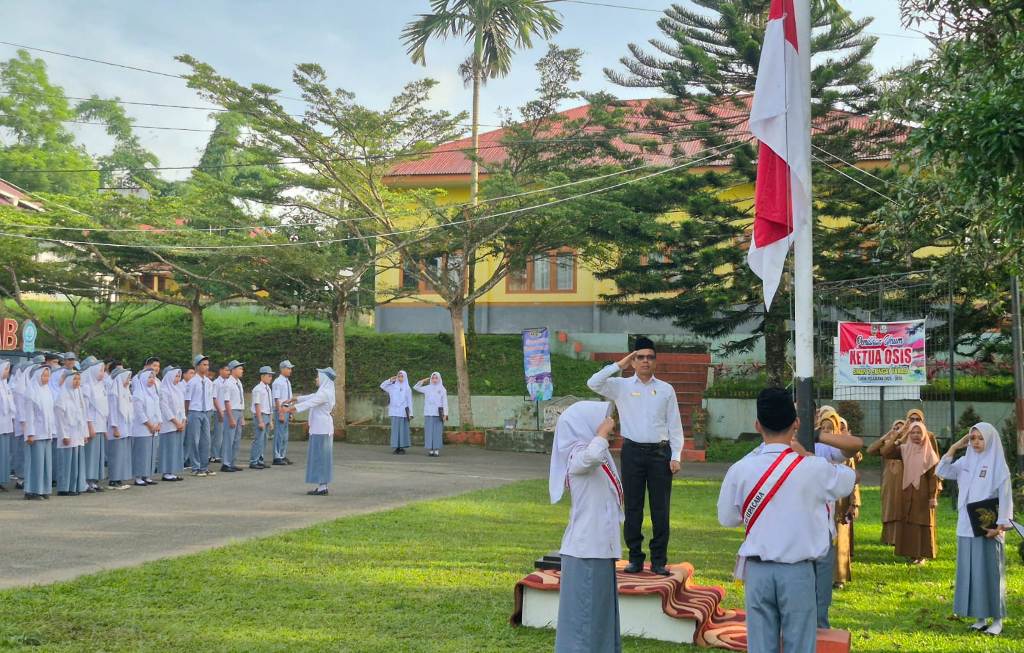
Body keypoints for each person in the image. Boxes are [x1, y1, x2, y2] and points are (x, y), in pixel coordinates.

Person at [717, 388, 856, 653]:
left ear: (757, 425)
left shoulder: (740, 469)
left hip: (757, 571)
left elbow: (727, 518)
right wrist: (809, 457)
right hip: (798, 572)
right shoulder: (814, 468)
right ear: (797, 423)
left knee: (760, 646)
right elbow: (849, 480)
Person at [587, 336, 683, 576]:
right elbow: (593, 383)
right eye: (640, 357)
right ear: (633, 360)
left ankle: (659, 560)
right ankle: (635, 558)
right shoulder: (621, 386)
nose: (645, 362)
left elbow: (675, 425)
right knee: (633, 508)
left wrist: (677, 455)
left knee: (660, 509)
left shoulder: (665, 389)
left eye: (650, 357)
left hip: (660, 453)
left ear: (655, 361)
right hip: (632, 452)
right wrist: (619, 365)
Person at [549, 401, 624, 653]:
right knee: (584, 622)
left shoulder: (598, 453)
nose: (608, 424)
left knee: (598, 619)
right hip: (585, 550)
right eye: (602, 419)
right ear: (584, 424)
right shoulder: (577, 455)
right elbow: (590, 457)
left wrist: (601, 438)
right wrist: (601, 435)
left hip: (599, 548)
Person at [936, 422, 1013, 636]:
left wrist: (1000, 526)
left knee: (990, 571)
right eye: (972, 438)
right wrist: (954, 448)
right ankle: (980, 618)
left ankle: (997, 620)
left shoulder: (998, 465)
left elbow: (1005, 497)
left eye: (980, 438)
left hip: (988, 527)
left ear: (990, 440)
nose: (976, 442)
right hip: (966, 524)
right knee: (971, 571)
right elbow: (941, 471)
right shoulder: (965, 461)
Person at [882, 420, 941, 565]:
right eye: (912, 432)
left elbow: (934, 477)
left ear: (924, 434)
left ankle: (922, 555)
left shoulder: (930, 454)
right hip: (906, 492)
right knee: (908, 522)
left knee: (921, 522)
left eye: (919, 432)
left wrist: (933, 497)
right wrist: (898, 438)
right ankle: (911, 554)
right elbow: (886, 452)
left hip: (922, 494)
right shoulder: (904, 450)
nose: (915, 435)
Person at [287, 367, 336, 496]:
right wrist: (296, 399)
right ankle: (322, 485)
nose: (316, 379)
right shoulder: (325, 391)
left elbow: (311, 402)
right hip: (320, 429)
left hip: (321, 430)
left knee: (321, 458)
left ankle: (322, 486)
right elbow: (312, 397)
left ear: (324, 379)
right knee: (320, 458)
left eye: (318, 377)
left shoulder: (325, 393)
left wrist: (292, 409)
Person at [867, 418, 907, 546]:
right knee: (889, 507)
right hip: (889, 482)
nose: (899, 430)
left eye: (901, 428)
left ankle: (901, 538)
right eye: (896, 427)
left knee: (901, 507)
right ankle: (889, 538)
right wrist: (887, 436)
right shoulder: (887, 445)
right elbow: (870, 451)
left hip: (903, 481)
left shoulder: (907, 444)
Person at [23, 365, 56, 500]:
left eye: (48, 376)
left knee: (45, 463)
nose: (46, 378)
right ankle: (32, 490)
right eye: (44, 375)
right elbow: (29, 415)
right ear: (37, 376)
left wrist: (52, 431)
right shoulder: (31, 391)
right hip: (36, 433)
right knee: (36, 463)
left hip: (46, 433)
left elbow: (51, 413)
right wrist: (30, 433)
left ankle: (44, 489)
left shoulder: (47, 390)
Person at [54, 369, 88, 497]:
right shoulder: (62, 396)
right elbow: (60, 419)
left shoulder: (78, 394)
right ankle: (64, 488)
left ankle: (74, 486)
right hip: (67, 435)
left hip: (77, 434)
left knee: (75, 462)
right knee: (66, 461)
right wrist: (64, 435)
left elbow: (83, 416)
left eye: (79, 379)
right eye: (74, 379)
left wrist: (84, 433)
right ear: (68, 380)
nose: (77, 382)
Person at [183, 354, 216, 477]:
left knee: (206, 440)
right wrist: (186, 415)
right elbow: (187, 400)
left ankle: (204, 466)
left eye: (207, 364)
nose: (206, 367)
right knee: (194, 440)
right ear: (197, 366)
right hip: (194, 412)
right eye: (204, 364)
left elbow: (209, 398)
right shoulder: (192, 382)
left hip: (206, 412)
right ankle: (195, 467)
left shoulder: (208, 382)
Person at [80, 357, 108, 493]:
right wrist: (90, 426)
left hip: (101, 426)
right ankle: (86, 481)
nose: (103, 373)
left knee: (98, 455)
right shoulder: (86, 387)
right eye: (101, 370)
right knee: (90, 454)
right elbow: (86, 409)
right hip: (92, 426)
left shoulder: (100, 386)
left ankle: (95, 480)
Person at [130, 369, 161, 487]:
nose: (152, 380)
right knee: (141, 453)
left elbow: (158, 409)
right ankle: (138, 476)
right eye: (149, 377)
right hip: (142, 428)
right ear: (143, 379)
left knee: (151, 452)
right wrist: (149, 425)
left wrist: (159, 423)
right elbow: (139, 412)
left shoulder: (154, 392)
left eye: (153, 378)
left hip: (154, 428)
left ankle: (147, 475)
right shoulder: (138, 393)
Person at [157, 366, 187, 482]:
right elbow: (165, 409)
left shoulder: (178, 389)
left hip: (179, 424)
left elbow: (182, 407)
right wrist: (176, 422)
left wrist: (183, 421)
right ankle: (166, 472)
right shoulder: (164, 390)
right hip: (169, 425)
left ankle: (173, 471)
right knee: (168, 448)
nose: (178, 378)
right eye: (176, 376)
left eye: (179, 376)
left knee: (176, 448)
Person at [106, 368, 133, 490]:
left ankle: (119, 478)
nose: (128, 381)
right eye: (127, 378)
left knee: (122, 454)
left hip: (125, 427)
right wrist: (115, 427)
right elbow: (112, 412)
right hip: (116, 428)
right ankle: (113, 479)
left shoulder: (125, 391)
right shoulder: (113, 393)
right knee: (115, 455)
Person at [220, 360, 246, 473]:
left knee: (236, 439)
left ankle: (232, 462)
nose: (242, 370)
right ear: (233, 370)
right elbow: (226, 401)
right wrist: (231, 418)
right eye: (240, 368)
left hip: (239, 411)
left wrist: (242, 416)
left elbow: (241, 400)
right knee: (229, 438)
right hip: (231, 412)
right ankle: (225, 463)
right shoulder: (228, 383)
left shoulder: (238, 382)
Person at [414, 372, 448, 457]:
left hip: (438, 414)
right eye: (433, 378)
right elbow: (416, 387)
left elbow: (445, 403)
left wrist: (445, 414)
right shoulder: (427, 388)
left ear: (439, 379)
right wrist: (423, 381)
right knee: (429, 432)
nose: (434, 380)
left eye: (436, 378)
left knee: (437, 432)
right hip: (428, 413)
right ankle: (430, 450)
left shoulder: (442, 389)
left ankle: (436, 450)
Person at [249, 366, 275, 470]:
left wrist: (271, 420)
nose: (270, 378)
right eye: (269, 376)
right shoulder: (257, 389)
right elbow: (257, 405)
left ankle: (260, 459)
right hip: (261, 415)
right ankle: (254, 461)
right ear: (263, 376)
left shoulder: (268, 388)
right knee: (258, 439)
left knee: (264, 439)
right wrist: (260, 421)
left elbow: (270, 405)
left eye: (271, 376)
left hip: (267, 415)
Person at [381, 371, 413, 455]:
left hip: (403, 412)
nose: (400, 378)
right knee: (395, 430)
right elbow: (382, 386)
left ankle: (402, 447)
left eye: (402, 376)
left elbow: (410, 401)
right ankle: (396, 447)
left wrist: (411, 413)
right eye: (399, 376)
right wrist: (390, 380)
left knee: (402, 430)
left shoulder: (407, 388)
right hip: (394, 412)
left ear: (405, 377)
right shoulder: (392, 386)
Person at [271, 360, 296, 465]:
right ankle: (277, 456)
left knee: (285, 435)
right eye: (288, 368)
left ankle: (282, 455)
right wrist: (280, 413)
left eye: (290, 368)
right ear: (282, 369)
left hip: (286, 409)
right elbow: (277, 399)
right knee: (279, 434)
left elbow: (289, 398)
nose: (290, 370)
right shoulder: (278, 382)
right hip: (281, 409)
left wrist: (290, 412)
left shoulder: (287, 381)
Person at [211, 363, 230, 465]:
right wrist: (220, 411)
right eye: (226, 370)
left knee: (225, 434)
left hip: (227, 411)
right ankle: (214, 455)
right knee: (218, 435)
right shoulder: (216, 383)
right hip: (219, 410)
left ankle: (222, 454)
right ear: (220, 371)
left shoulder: (228, 382)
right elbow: (214, 398)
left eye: (229, 370)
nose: (228, 372)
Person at [0, 360, 14, 492]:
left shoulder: (6, 385)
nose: (7, 372)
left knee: (4, 453)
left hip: (6, 425)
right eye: (5, 369)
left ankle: (2, 479)